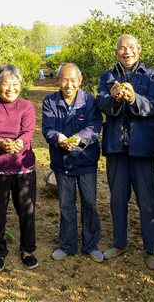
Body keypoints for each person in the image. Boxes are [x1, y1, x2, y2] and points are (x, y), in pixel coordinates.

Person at [95, 34, 154, 270]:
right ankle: (120, 242)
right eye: (122, 48)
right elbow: (100, 102)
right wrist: (114, 100)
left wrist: (134, 98)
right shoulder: (108, 76)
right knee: (117, 199)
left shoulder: (152, 75)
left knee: (147, 200)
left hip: (144, 147)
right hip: (117, 147)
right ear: (116, 52)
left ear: (139, 49)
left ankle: (151, 249)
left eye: (131, 48)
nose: (127, 52)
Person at [42, 63, 104, 263]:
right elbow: (47, 128)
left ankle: (90, 244)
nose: (69, 84)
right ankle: (67, 244)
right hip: (62, 162)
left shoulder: (89, 100)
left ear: (80, 80)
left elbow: (95, 125)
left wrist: (79, 138)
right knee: (66, 205)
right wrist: (58, 137)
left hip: (86, 160)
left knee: (89, 204)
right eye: (64, 80)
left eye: (73, 80)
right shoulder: (50, 101)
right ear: (58, 80)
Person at [0, 64, 38, 272]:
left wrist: (18, 144)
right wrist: (2, 143)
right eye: (6, 84)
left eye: (15, 84)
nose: (11, 88)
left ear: (21, 85)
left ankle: (27, 249)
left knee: (27, 211)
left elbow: (28, 132)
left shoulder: (26, 106)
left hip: (23, 167)